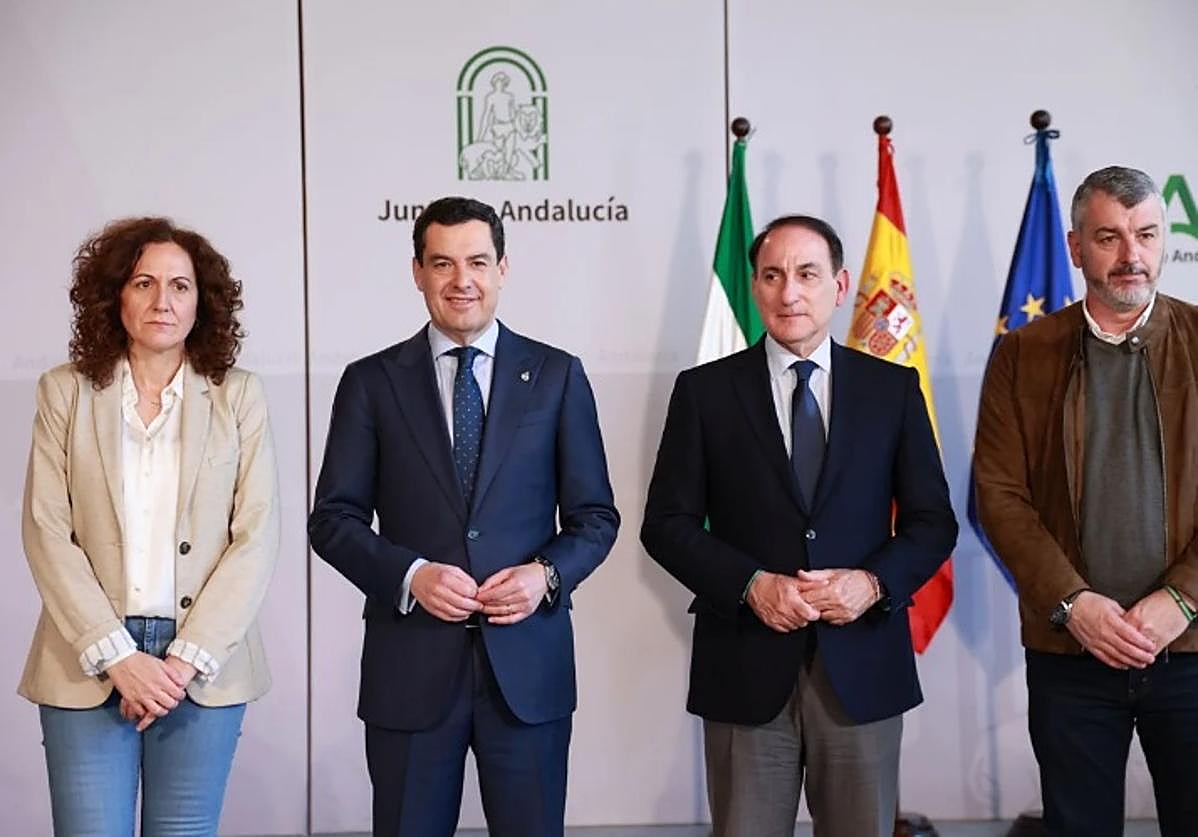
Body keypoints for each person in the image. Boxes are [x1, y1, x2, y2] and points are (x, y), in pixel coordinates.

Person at [308, 196, 619, 837]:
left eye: (477, 261)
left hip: (527, 671)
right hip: (411, 670)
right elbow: (333, 520)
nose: (461, 280)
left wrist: (545, 577)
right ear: (417, 272)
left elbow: (594, 517)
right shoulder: (371, 382)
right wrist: (410, 574)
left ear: (503, 267)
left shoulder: (558, 375)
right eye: (442, 263)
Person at [641, 214, 957, 837]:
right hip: (744, 670)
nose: (790, 292)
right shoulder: (704, 392)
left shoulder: (892, 389)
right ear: (754, 287)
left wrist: (872, 582)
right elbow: (667, 524)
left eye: (807, 275)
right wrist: (750, 583)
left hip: (863, 665)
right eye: (773, 275)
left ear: (840, 287)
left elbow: (932, 522)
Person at [20, 216, 280, 836]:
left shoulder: (239, 395)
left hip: (202, 664)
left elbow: (256, 535)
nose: (162, 300)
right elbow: (47, 531)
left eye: (180, 286)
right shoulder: (65, 392)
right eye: (143, 283)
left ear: (203, 302)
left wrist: (184, 662)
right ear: (116, 296)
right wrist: (116, 656)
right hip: (86, 657)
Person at [974, 166, 1198, 836]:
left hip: (1191, 652)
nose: (1132, 254)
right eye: (1109, 237)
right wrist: (1075, 604)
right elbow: (1000, 494)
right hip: (1071, 653)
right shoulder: (1022, 353)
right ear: (1075, 248)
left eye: (1147, 234)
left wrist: (1183, 599)